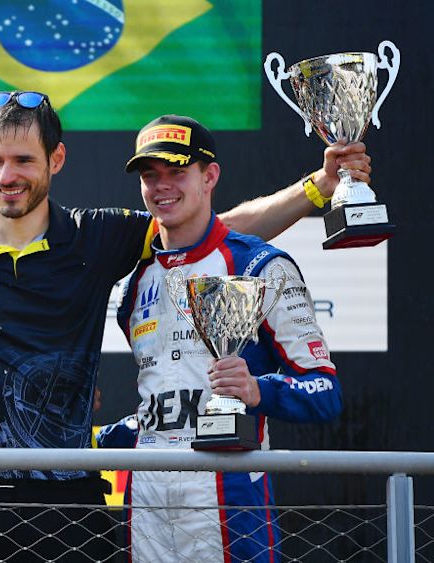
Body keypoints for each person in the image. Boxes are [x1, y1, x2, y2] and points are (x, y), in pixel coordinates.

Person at [0, 91, 369, 562]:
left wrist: (317, 187)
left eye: (24, 159)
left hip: (75, 492)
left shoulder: (98, 236)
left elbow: (211, 229)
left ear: (56, 159)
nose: (8, 176)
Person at [116, 114, 343, 562]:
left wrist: (257, 389)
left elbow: (325, 392)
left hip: (230, 495)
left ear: (210, 175)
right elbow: (162, 399)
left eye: (177, 172)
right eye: (150, 175)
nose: (163, 186)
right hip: (145, 500)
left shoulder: (261, 266)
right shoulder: (136, 281)